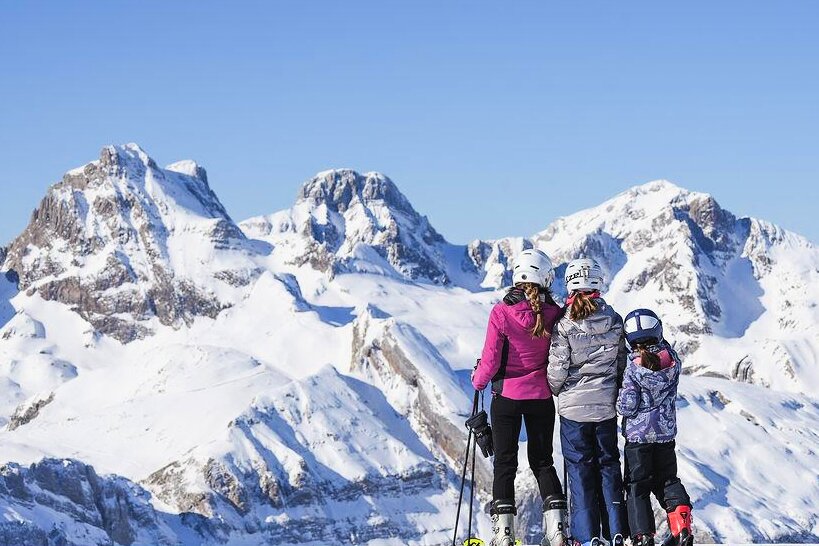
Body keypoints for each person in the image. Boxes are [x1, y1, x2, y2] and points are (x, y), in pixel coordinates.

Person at [472, 249, 568, 546]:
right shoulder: (555, 313)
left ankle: (503, 536)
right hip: (541, 397)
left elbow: (490, 361)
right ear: (545, 278)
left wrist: (477, 381)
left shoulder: (501, 312)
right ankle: (557, 532)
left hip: (506, 399)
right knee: (543, 462)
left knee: (505, 463)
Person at [547, 258, 629, 546]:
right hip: (605, 407)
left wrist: (558, 390)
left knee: (580, 470)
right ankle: (616, 531)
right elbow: (621, 363)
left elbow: (557, 369)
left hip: (573, 410)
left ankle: (586, 536)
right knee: (608, 466)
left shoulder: (564, 324)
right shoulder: (614, 320)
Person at [617, 309, 694, 546]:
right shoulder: (672, 361)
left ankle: (643, 536)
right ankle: (682, 525)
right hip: (665, 435)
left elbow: (627, 406)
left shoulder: (633, 370)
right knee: (668, 480)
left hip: (638, 439)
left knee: (637, 486)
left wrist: (619, 398)